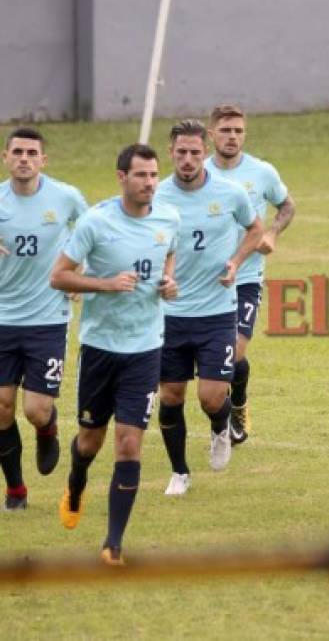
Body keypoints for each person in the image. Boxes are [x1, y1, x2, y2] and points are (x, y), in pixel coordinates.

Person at [51, 143, 179, 565]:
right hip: (100, 348)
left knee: (128, 445)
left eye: (153, 175)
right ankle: (76, 481)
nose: (149, 183)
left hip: (145, 349)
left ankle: (113, 543)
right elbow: (60, 277)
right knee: (89, 442)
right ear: (121, 177)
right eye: (140, 175)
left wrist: (168, 282)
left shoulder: (168, 218)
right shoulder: (95, 222)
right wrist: (106, 284)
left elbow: (168, 256)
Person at [155, 120, 262, 495]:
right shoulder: (155, 195)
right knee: (170, 396)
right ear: (170, 152)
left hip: (217, 311)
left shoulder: (231, 194)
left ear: (206, 153)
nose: (187, 159)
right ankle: (179, 472)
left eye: (195, 153)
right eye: (181, 152)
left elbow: (256, 230)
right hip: (169, 314)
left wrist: (236, 261)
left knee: (211, 396)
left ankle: (220, 426)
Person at [0, 127, 87, 510]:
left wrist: (79, 273)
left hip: (47, 319)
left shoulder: (65, 198)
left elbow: (97, 232)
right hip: (2, 320)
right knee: (1, 407)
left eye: (31, 152)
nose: (24, 158)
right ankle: (16, 489)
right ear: (5, 157)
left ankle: (47, 428)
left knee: (35, 409)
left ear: (43, 160)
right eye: (17, 151)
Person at [205, 104, 296, 444]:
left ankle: (237, 404)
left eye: (238, 131)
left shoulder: (261, 172)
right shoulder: (198, 173)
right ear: (211, 133)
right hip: (204, 282)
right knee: (213, 357)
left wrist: (272, 233)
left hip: (245, 278)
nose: (232, 137)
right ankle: (225, 406)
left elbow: (287, 206)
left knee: (234, 351)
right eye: (225, 130)